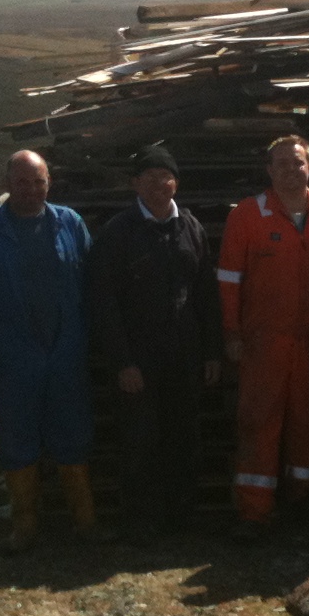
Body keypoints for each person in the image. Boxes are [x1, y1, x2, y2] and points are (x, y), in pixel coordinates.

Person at [0, 150, 97, 554]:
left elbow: (91, 286)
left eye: (38, 182)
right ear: (7, 184)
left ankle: (85, 525)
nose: (31, 191)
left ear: (49, 182)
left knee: (74, 437)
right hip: (11, 356)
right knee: (16, 441)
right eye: (22, 183)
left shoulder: (69, 223)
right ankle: (25, 528)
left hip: (66, 352)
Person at [87, 144, 222, 545]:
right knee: (139, 441)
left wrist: (212, 350)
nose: (159, 185)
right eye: (149, 178)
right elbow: (103, 303)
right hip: (138, 360)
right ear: (135, 185)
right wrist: (122, 362)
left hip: (183, 355)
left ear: (175, 182)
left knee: (184, 439)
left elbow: (206, 295)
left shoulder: (192, 229)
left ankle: (182, 518)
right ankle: (141, 523)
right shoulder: (118, 232)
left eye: (165, 177)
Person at [218, 134, 309, 530]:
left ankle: (304, 505)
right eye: (281, 163)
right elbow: (228, 280)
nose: (290, 170)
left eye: (298, 162)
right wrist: (231, 333)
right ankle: (254, 512)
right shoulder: (246, 214)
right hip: (264, 343)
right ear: (269, 169)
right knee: (259, 422)